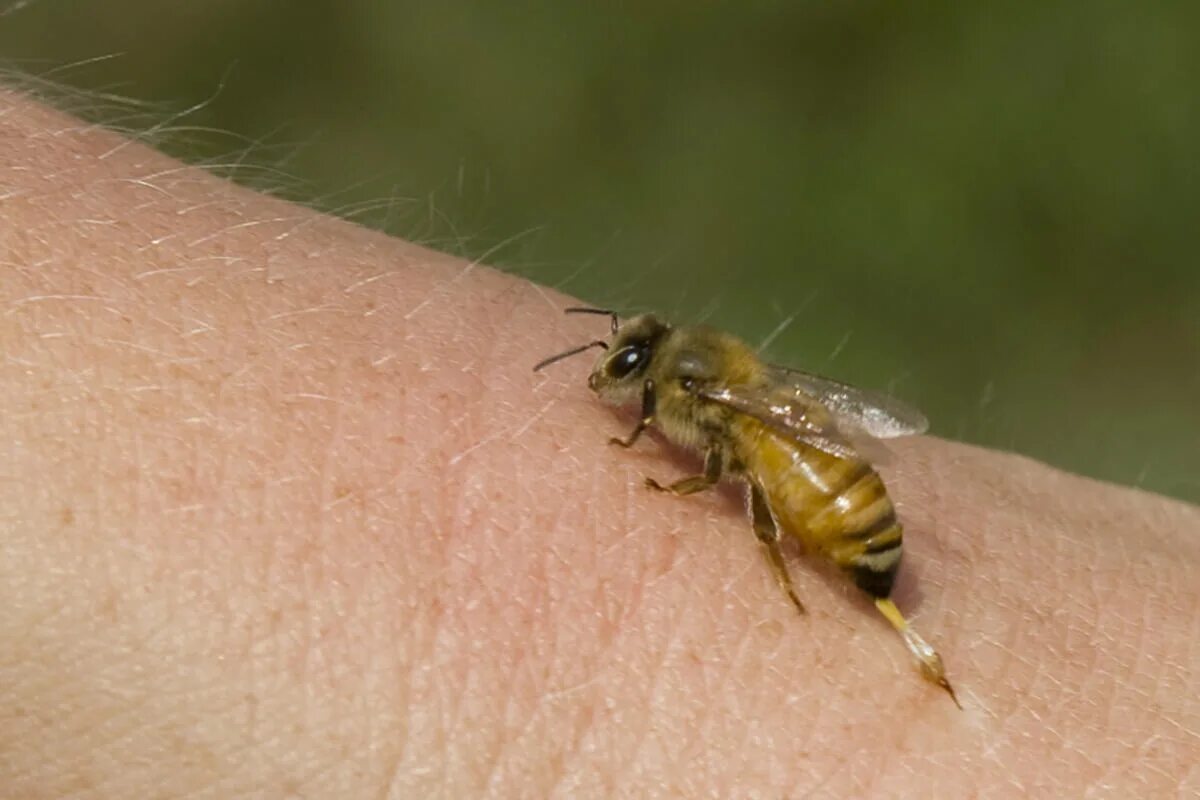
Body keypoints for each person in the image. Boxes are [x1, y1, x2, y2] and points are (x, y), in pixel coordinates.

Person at [1, 88, 1195, 797]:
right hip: (834, 464)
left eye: (627, 374)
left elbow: (751, 462)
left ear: (661, 384)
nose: (619, 384)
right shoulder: (725, 378)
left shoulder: (711, 415)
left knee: (765, 488)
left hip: (828, 502)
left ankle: (834, 581)